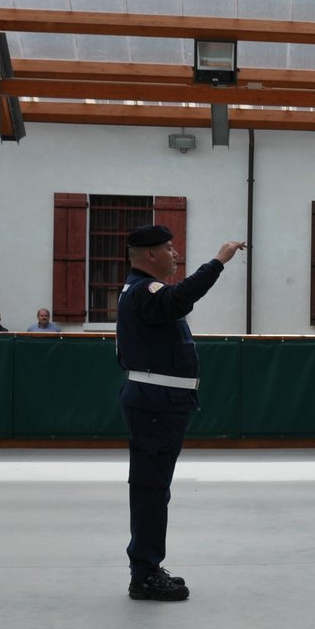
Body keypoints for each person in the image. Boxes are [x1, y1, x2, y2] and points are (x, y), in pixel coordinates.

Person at [117, 224, 246, 601]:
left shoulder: (139, 292)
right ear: (150, 255)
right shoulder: (146, 291)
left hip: (159, 402)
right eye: (170, 249)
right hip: (156, 404)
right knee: (151, 490)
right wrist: (219, 262)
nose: (176, 255)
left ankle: (146, 567)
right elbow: (180, 297)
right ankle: (144, 572)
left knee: (153, 488)